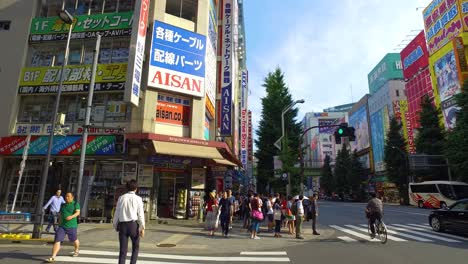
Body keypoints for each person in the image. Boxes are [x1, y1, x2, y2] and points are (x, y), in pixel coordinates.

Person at [113, 180, 145, 264]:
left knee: (123, 250)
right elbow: (141, 214)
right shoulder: (138, 199)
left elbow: (117, 212)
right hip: (133, 225)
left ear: (127, 188)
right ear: (136, 188)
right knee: (135, 247)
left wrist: (115, 225)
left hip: (123, 225)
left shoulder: (121, 198)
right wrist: (142, 227)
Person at [45, 192, 80, 263]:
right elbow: (61, 215)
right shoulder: (63, 205)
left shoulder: (75, 204)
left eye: (68, 196)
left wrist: (71, 216)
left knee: (74, 239)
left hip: (72, 226)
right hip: (62, 226)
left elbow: (78, 212)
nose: (66, 197)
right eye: (66, 196)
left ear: (72, 197)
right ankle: (53, 257)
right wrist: (59, 223)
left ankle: (76, 250)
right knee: (57, 240)